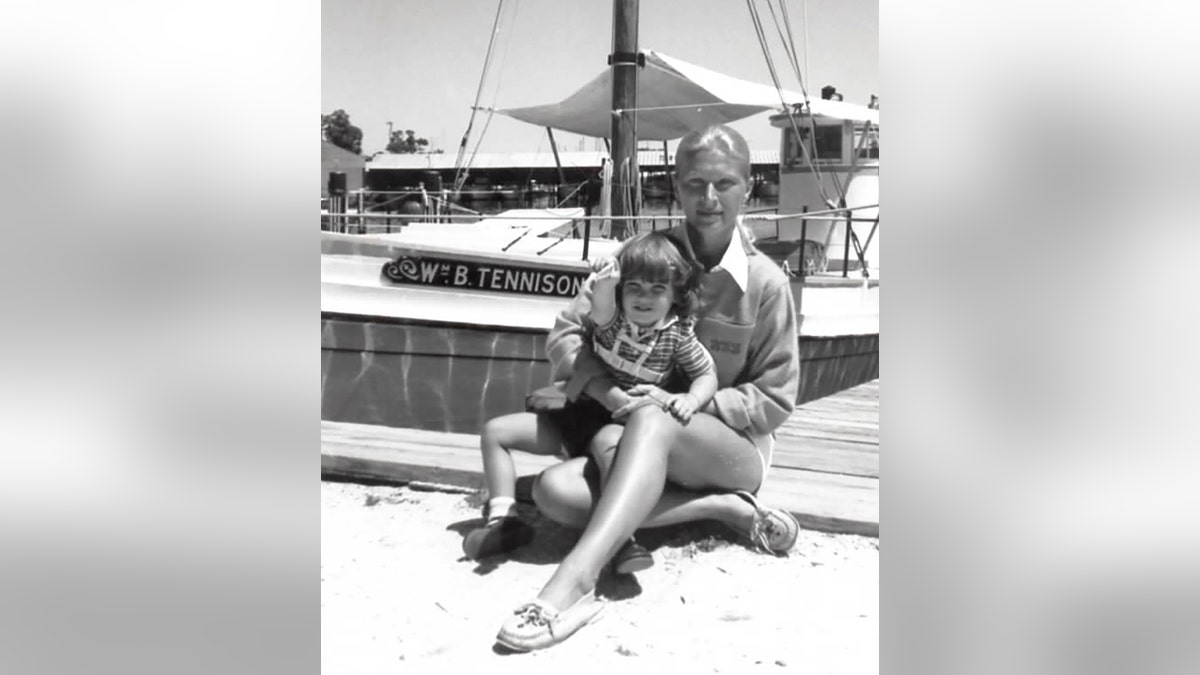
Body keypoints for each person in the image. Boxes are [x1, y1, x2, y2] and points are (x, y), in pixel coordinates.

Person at [494, 124, 802, 652]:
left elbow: (774, 397)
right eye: (695, 183)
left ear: (748, 189)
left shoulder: (765, 284)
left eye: (725, 184)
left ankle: (573, 583)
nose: (709, 199)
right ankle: (721, 509)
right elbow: (567, 337)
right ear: (676, 187)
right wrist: (608, 394)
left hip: (727, 450)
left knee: (653, 420)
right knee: (553, 492)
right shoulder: (636, 259)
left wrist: (686, 404)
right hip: (627, 439)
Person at [462, 232, 718, 567]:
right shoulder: (611, 322)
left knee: (613, 454)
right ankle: (503, 519)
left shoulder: (678, 337)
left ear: (674, 296)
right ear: (622, 291)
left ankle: (622, 538)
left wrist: (691, 399)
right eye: (634, 288)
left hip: (618, 425)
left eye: (658, 290)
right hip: (578, 413)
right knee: (495, 432)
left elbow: (707, 374)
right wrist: (606, 275)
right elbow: (600, 302)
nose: (645, 298)